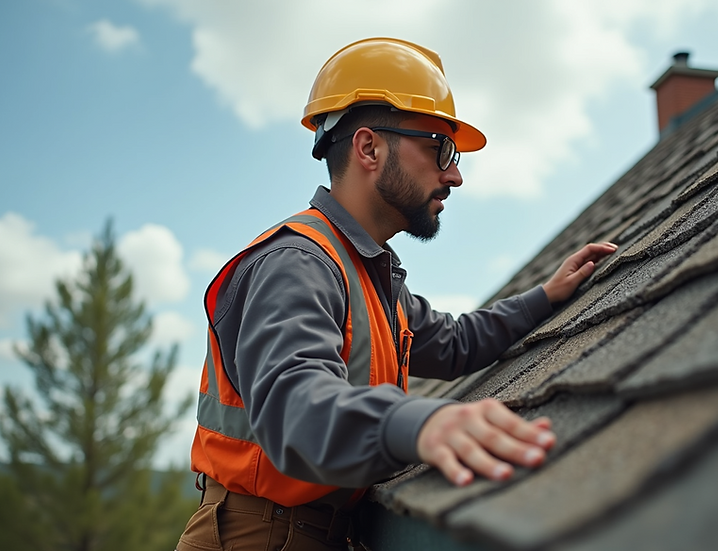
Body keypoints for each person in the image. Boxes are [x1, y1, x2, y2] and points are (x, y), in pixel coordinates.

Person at [176, 38, 617, 551]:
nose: (454, 174)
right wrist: (422, 423)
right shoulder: (298, 264)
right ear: (369, 148)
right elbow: (297, 412)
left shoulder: (366, 274)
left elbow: (453, 343)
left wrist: (545, 296)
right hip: (257, 537)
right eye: (440, 148)